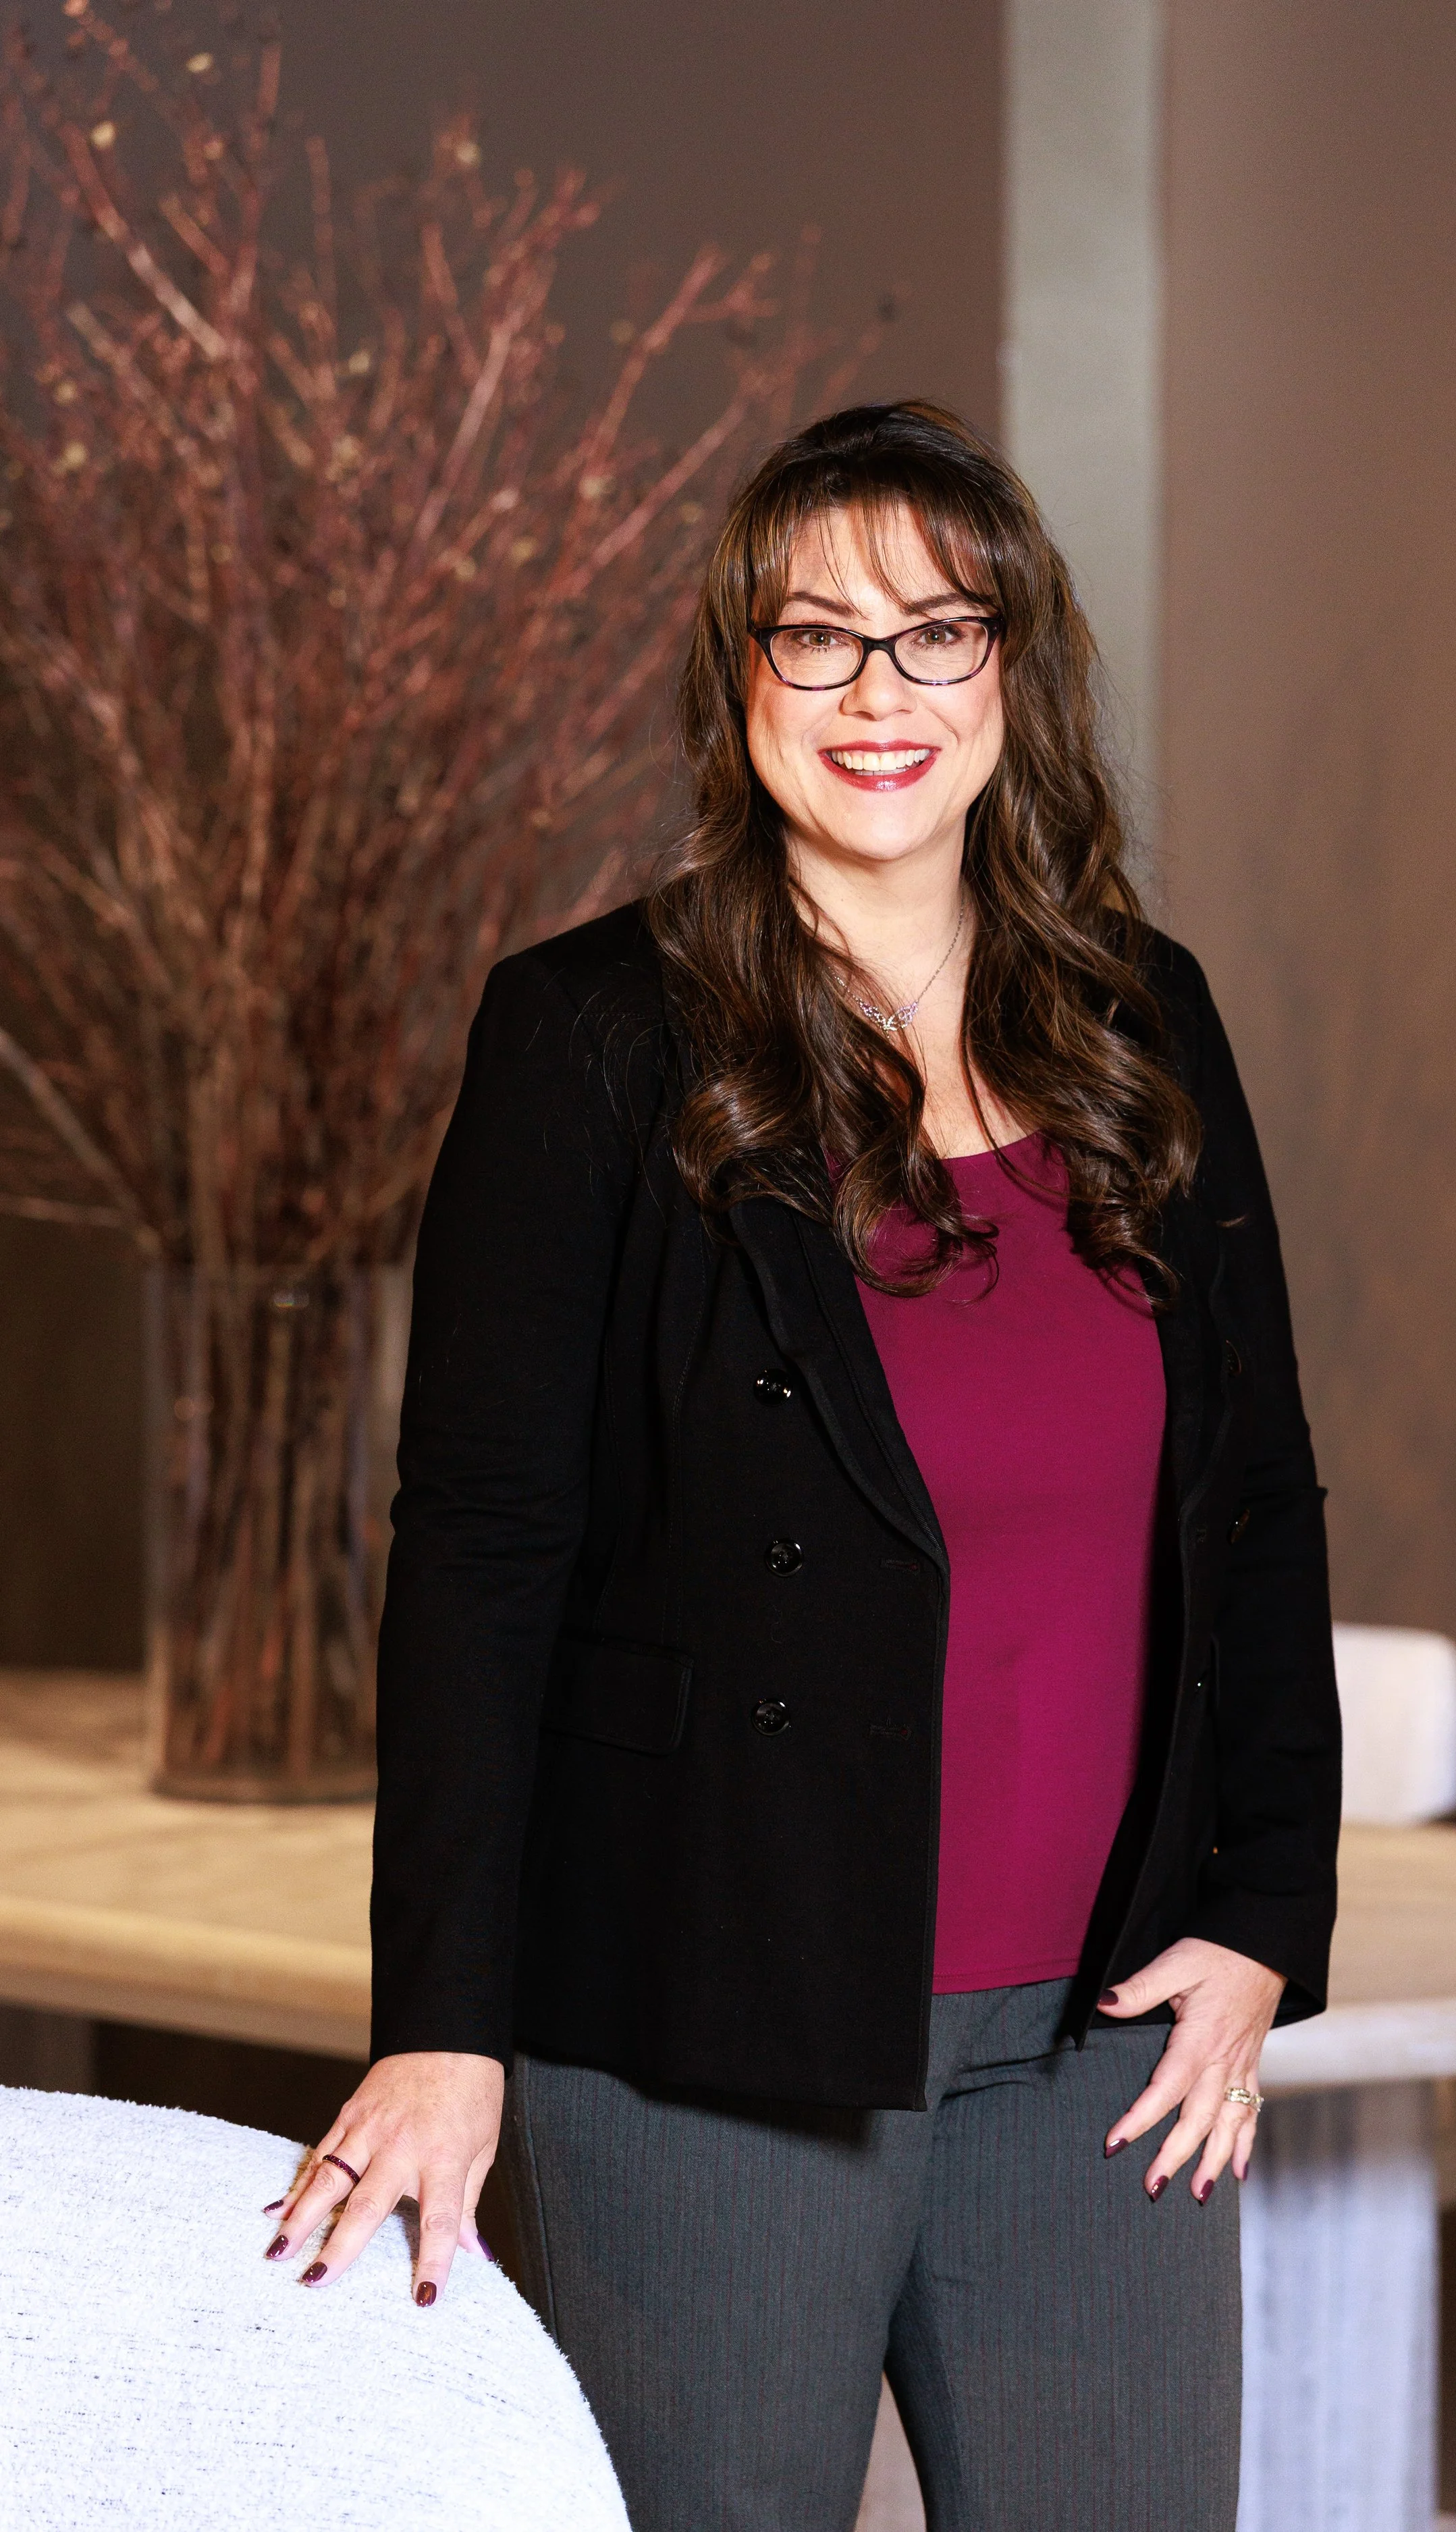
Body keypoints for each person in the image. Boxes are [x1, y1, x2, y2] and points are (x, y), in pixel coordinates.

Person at [263, 401, 1341, 2532]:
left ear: (1011, 672)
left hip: (1103, 2032)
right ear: (733, 675)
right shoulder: (589, 1031)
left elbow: (1257, 1498)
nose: (878, 694)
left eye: (935, 635)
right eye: (815, 636)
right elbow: (478, 1552)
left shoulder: (1146, 1014)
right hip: (703, 2018)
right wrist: (443, 2021)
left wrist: (1264, 1913)